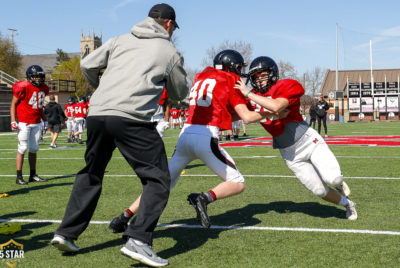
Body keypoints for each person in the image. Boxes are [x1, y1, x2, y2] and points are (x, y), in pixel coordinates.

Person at [50, 3, 189, 267]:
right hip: (132, 117)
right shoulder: (169, 50)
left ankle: (66, 233)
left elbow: (88, 64)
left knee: (91, 172)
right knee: (158, 179)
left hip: (98, 114)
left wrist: (103, 86)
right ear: (169, 25)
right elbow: (181, 92)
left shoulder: (119, 40)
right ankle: (139, 239)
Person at [109, 49, 280, 233]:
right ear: (230, 67)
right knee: (237, 182)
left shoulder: (201, 77)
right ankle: (204, 198)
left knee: (161, 185)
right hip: (205, 136)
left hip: (186, 135)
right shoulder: (229, 80)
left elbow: (221, 112)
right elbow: (246, 117)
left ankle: (124, 216)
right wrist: (272, 111)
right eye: (237, 68)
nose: (239, 73)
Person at [234, 56, 357, 221]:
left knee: (333, 178)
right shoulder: (251, 96)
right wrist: (263, 108)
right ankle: (348, 204)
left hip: (308, 141)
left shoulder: (285, 85)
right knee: (319, 191)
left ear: (272, 73)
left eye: (262, 75)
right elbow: (247, 117)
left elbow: (277, 106)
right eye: (255, 77)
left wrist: (248, 94)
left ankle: (338, 183)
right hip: (289, 153)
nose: (259, 79)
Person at [10, 65, 49, 185]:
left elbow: (39, 106)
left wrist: (45, 120)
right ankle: (19, 176)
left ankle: (33, 175)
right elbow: (13, 105)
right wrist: (13, 120)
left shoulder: (44, 88)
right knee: (22, 148)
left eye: (40, 76)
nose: (38, 79)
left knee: (34, 149)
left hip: (37, 122)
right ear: (29, 77)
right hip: (24, 122)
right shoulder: (23, 86)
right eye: (36, 76)